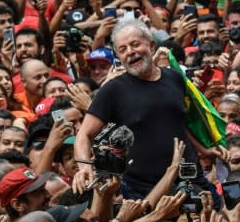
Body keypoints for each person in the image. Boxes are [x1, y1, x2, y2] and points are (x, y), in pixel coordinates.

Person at [74, 19, 216, 199]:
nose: (130, 53)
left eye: (135, 44)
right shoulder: (112, 90)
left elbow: (179, 123)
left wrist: (204, 150)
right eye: (123, 49)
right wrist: (85, 166)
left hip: (190, 179)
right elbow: (84, 135)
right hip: (142, 190)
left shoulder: (175, 78)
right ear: (118, 57)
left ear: (152, 46)